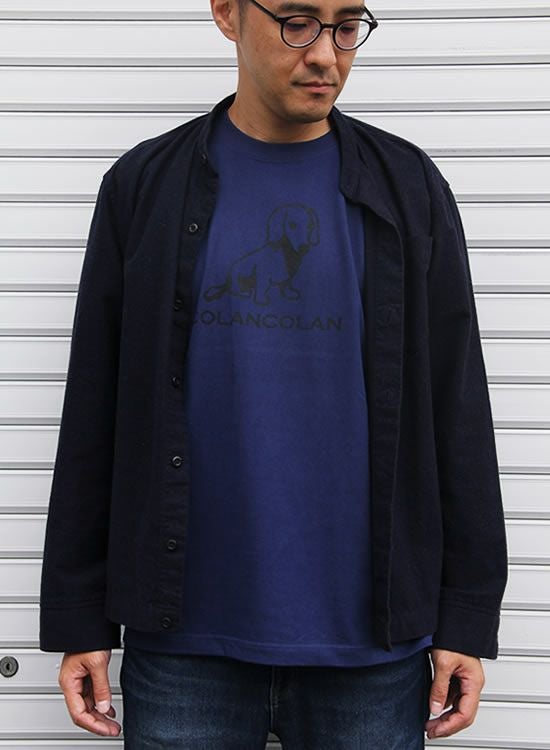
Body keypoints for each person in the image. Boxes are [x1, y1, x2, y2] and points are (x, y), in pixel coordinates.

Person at [38, 0, 508, 747]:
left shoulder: (407, 186)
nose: (324, 54)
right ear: (228, 14)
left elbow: (457, 409)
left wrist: (467, 617)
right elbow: (96, 408)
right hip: (184, 647)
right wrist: (77, 617)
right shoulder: (145, 187)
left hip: (372, 652)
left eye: (346, 25)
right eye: (296, 20)